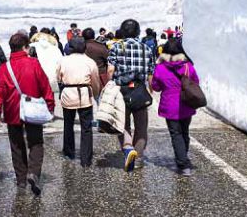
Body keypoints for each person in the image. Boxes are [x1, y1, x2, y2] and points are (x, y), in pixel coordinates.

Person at [0, 32, 55, 195]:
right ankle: (33, 173)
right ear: (25, 47)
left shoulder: (5, 68)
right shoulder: (33, 63)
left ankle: (21, 180)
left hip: (13, 111)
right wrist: (50, 104)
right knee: (36, 142)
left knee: (16, 145)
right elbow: (45, 85)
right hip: (32, 110)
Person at [107, 19, 153, 172]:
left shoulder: (116, 47)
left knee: (122, 124)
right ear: (138, 32)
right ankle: (138, 157)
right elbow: (150, 73)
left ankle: (127, 149)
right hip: (139, 89)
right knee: (141, 126)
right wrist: (150, 89)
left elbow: (110, 70)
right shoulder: (146, 48)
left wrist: (109, 85)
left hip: (122, 90)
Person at [151, 36, 199, 176]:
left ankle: (183, 163)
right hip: (187, 103)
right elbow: (195, 82)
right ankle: (183, 157)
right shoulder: (187, 66)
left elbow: (156, 87)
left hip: (169, 106)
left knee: (176, 133)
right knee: (185, 132)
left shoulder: (160, 67)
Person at [55, 37, 101, 167]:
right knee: (86, 127)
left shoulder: (63, 60)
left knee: (68, 124)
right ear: (84, 48)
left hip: (68, 93)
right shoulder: (89, 61)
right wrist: (95, 93)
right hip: (84, 94)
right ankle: (86, 159)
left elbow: (58, 77)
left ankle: (69, 153)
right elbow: (95, 81)